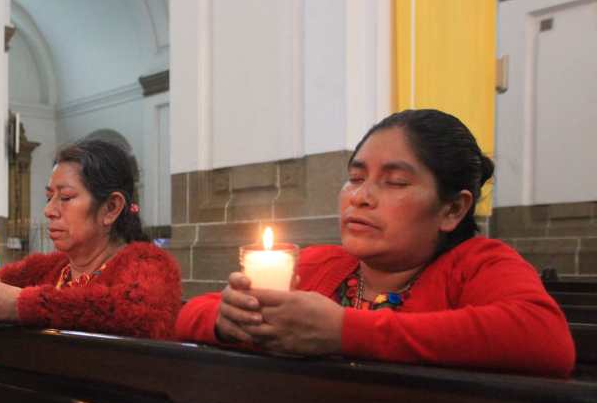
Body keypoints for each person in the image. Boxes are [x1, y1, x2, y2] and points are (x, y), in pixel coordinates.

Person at [176, 109, 576, 377]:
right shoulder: (321, 265)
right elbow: (190, 314)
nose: (360, 197)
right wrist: (229, 321)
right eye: (355, 177)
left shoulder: (478, 264)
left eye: (395, 182)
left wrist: (344, 331)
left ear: (452, 209)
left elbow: (545, 339)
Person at [0, 139, 181, 339]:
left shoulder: (150, 263)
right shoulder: (46, 268)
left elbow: (140, 315)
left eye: (65, 198)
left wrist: (21, 305)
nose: (49, 210)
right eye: (49, 197)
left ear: (111, 208)